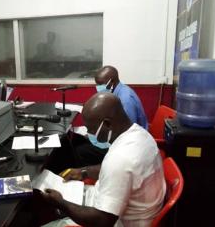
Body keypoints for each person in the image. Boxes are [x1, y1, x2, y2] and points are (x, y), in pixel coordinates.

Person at [41, 92, 166, 227]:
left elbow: (102, 221)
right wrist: (84, 172)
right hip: (122, 208)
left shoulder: (121, 159)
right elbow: (120, 173)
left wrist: (61, 203)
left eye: (91, 129)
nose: (89, 133)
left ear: (107, 124)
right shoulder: (140, 134)